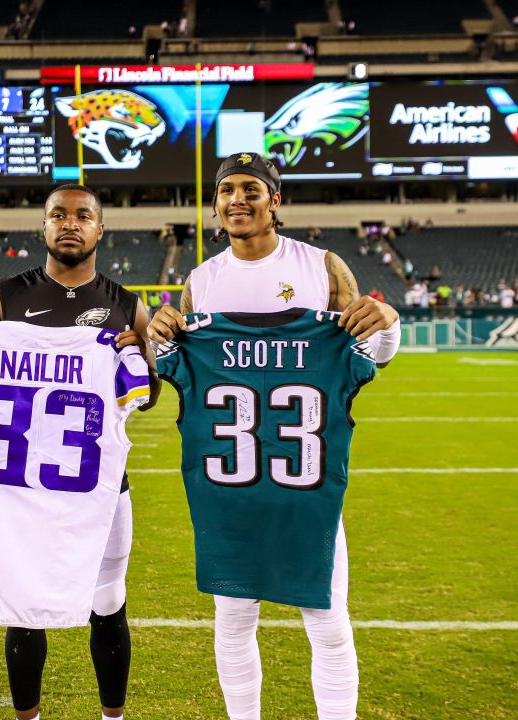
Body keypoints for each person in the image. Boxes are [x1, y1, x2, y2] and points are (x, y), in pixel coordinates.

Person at [146, 153, 400, 720]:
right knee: (234, 623)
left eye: (252, 190)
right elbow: (167, 366)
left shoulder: (323, 267)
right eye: (227, 190)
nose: (238, 199)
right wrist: (159, 336)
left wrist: (389, 325)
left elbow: (368, 360)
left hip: (304, 487)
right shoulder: (201, 282)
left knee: (329, 621)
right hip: (231, 488)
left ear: (275, 200)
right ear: (215, 203)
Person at [0, 184, 160, 720]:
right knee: (24, 613)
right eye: (58, 215)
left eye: (83, 215)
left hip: (101, 490)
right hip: (20, 490)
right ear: (43, 227)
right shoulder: (2, 297)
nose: (70, 224)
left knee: (108, 608)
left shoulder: (127, 306)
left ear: (100, 228)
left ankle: (112, 719)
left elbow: (149, 397)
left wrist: (140, 358)